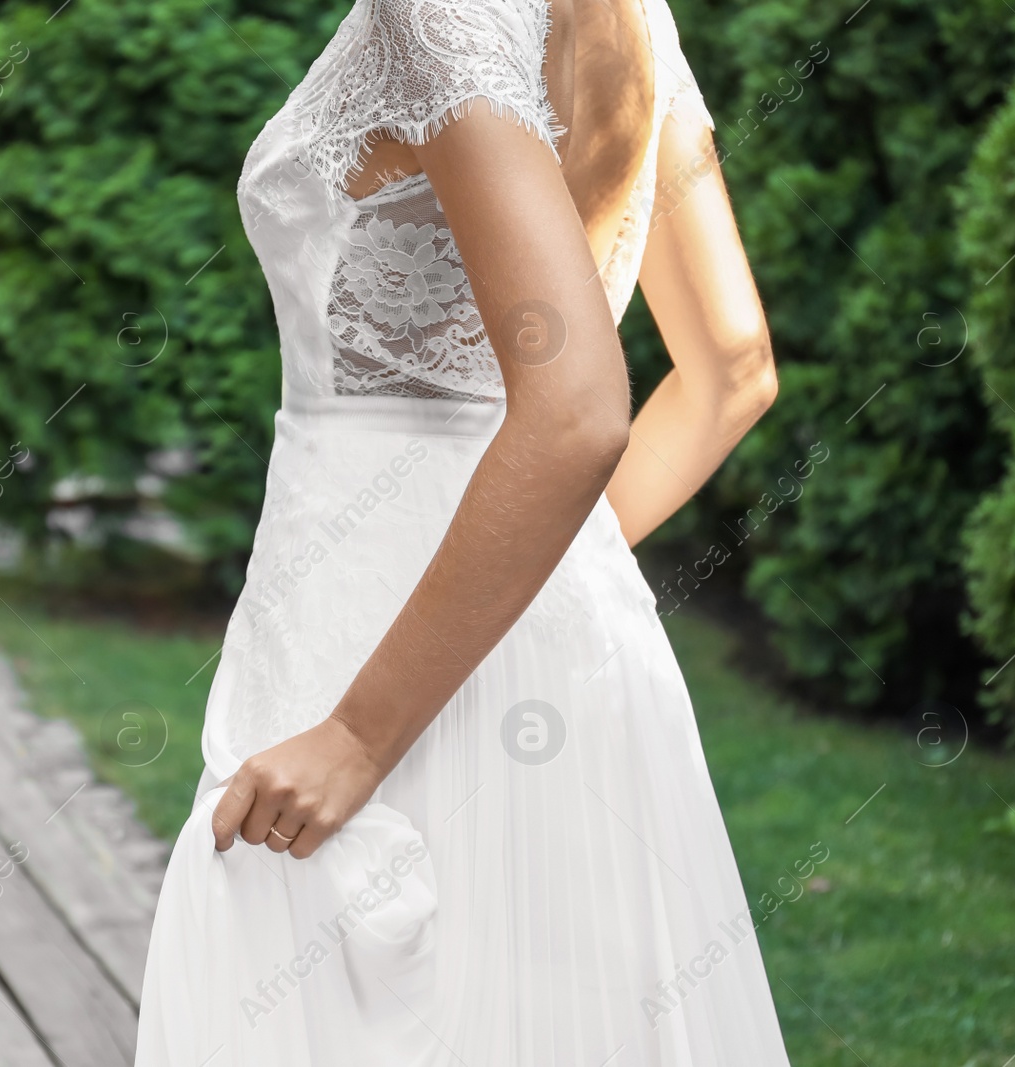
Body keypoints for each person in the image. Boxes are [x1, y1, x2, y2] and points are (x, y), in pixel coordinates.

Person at [136, 0, 791, 1062]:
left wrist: (356, 734)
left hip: (364, 656)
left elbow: (580, 410)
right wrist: (543, 582)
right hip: (543, 628)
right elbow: (732, 368)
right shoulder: (636, 18)